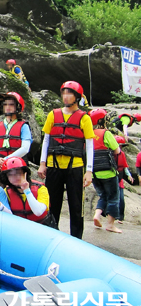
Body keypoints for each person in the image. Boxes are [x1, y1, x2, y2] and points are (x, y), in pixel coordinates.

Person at [38, 81, 94, 239]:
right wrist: (43, 164)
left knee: (76, 207)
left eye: (69, 93)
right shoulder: (53, 114)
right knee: (52, 205)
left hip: (75, 167)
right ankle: (51, 236)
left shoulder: (84, 118)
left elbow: (89, 145)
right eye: (64, 93)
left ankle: (76, 240)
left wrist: (89, 171)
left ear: (77, 97)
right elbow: (46, 141)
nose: (65, 96)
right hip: (53, 166)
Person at [89, 109, 122, 233]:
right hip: (108, 171)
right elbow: (117, 150)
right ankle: (110, 225)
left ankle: (97, 216)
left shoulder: (89, 133)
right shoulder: (105, 133)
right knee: (113, 197)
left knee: (102, 195)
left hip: (94, 172)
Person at [0, 92, 31, 180]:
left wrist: (6, 160)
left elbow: (25, 148)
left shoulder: (24, 126)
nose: (7, 107)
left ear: (18, 107)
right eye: (5, 104)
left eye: (11, 104)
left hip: (17, 167)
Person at [0, 157, 56, 227]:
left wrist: (27, 190)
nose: (14, 177)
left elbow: (38, 212)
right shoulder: (6, 192)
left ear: (25, 173)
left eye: (17, 173)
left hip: (43, 228)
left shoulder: (41, 189)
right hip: (21, 229)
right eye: (10, 174)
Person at [115, 135, 134, 223]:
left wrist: (129, 176)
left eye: (121, 146)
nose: (120, 148)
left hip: (120, 178)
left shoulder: (122, 154)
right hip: (112, 177)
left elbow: (125, 166)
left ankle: (120, 217)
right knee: (113, 198)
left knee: (121, 199)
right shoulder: (110, 153)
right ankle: (111, 215)